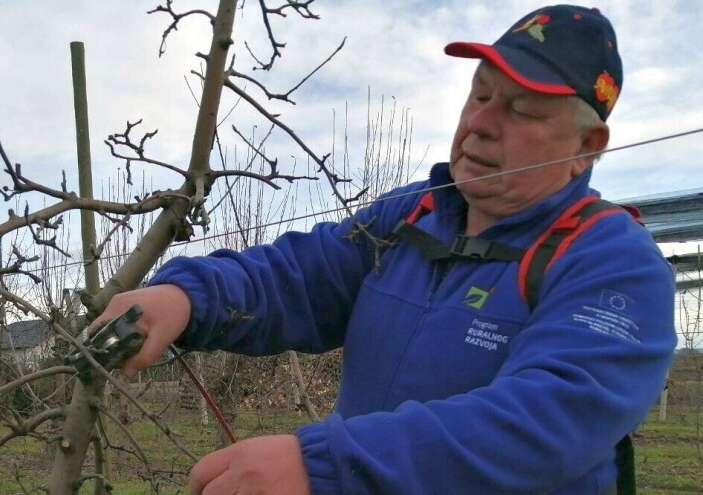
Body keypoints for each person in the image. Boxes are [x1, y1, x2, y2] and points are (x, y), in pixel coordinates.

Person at [93, 5, 676, 494]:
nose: (480, 123)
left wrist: (322, 466)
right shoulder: (411, 214)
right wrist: (187, 297)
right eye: (479, 95)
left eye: (521, 110)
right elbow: (300, 276)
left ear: (585, 146)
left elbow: (549, 420)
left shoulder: (612, 261)